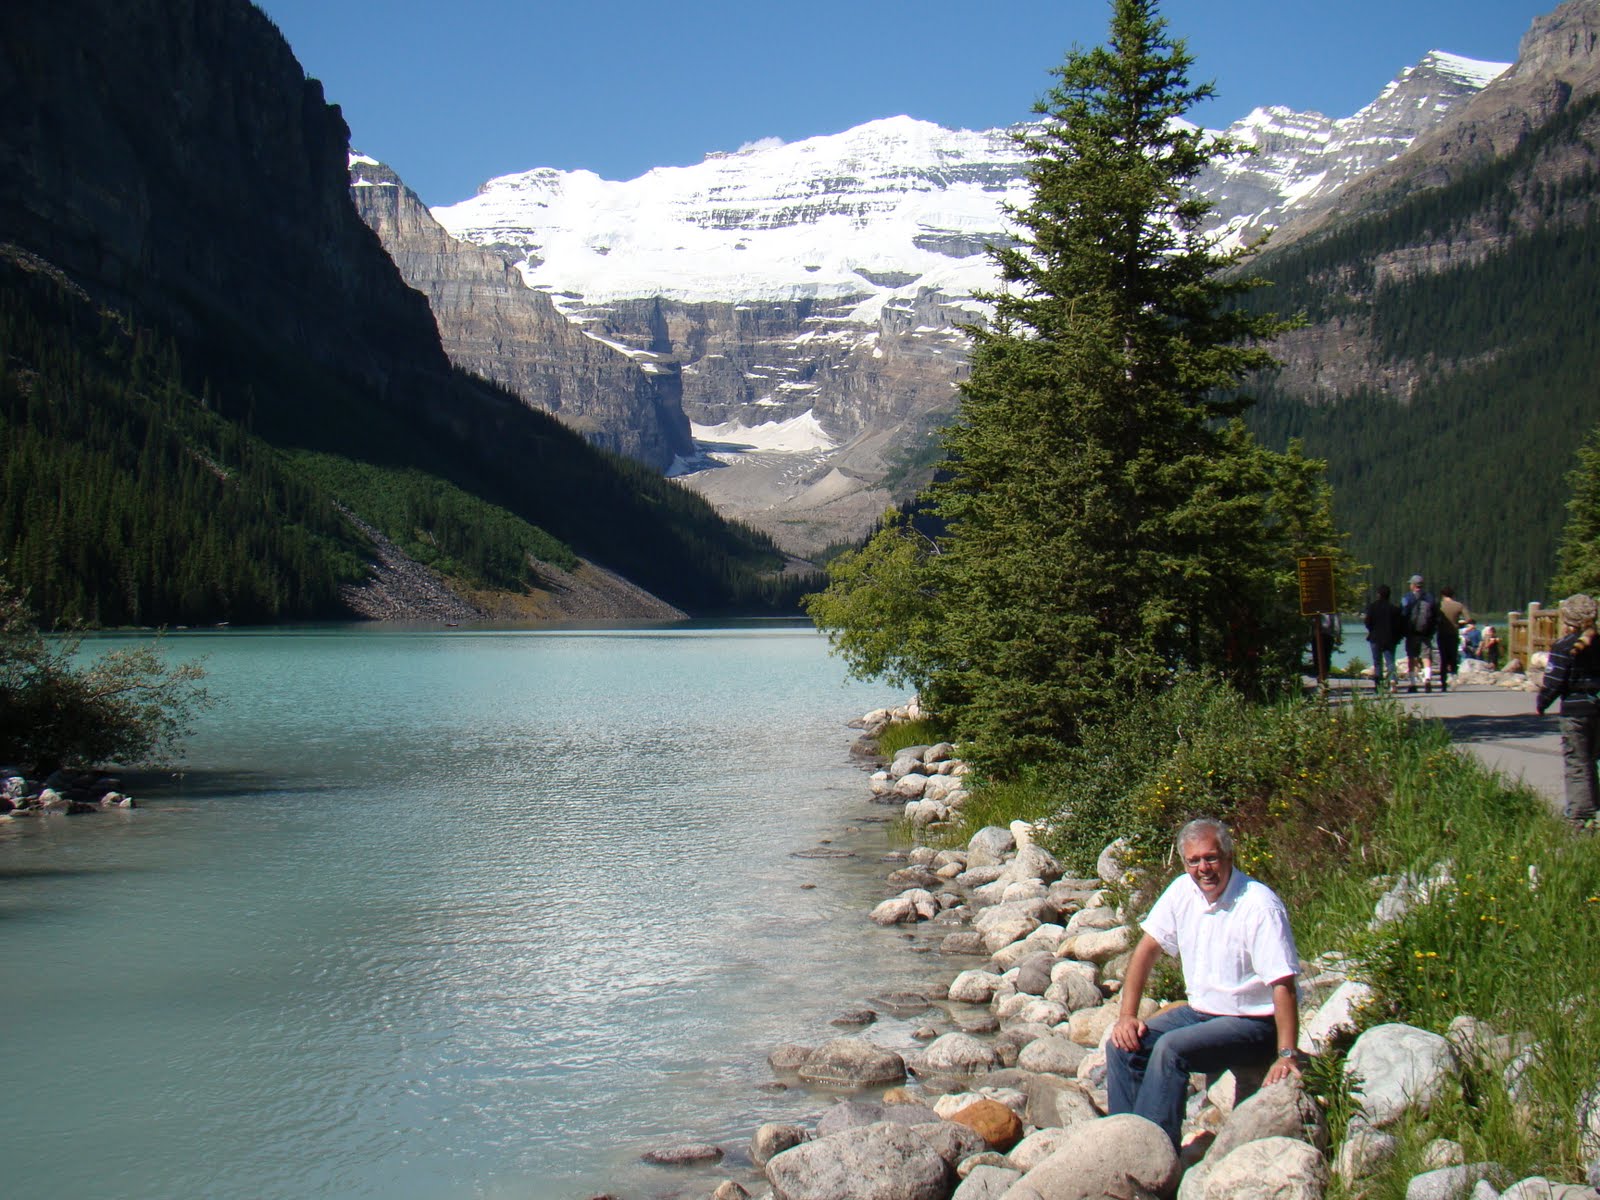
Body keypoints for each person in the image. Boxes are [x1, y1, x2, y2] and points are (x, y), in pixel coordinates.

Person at [1107, 818, 1300, 1149]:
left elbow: (1283, 983)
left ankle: (1156, 1154)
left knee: (1171, 1049)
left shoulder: (1258, 905)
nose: (1203, 869)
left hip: (1252, 1023)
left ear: (1228, 856)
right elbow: (1146, 951)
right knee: (1122, 1046)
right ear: (1184, 862)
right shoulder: (1183, 891)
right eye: (1194, 860)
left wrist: (1287, 1054)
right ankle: (1127, 1146)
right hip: (1201, 1014)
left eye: (1211, 858)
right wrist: (1127, 1015)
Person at [1535, 594, 1600, 830]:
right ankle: (1595, 806)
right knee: (1594, 759)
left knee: (1577, 761)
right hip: (1597, 705)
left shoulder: (1564, 646)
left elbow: (1554, 680)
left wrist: (1542, 703)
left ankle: (1581, 816)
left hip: (1576, 708)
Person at [1400, 574, 1438, 693]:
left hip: (1411, 633)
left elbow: (1403, 614)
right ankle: (1427, 678)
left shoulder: (1407, 597)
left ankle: (1412, 683)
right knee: (1426, 657)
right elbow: (1435, 616)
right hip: (1425, 633)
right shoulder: (1430, 598)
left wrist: (1402, 630)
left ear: (1413, 585)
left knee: (1412, 657)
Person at [1363, 585, 1404, 692]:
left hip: (1375, 638)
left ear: (1378, 594)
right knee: (1390, 661)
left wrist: (1372, 630)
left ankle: (1378, 684)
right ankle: (1393, 681)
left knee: (1377, 662)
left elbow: (1367, 622)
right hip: (1389, 638)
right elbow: (1399, 625)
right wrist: (1397, 637)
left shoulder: (1372, 607)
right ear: (1389, 595)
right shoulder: (1394, 609)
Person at [1437, 587, 1469, 690]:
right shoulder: (1459, 605)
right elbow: (1468, 619)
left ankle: (1443, 682)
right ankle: (1453, 677)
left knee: (1443, 658)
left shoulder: (1439, 605)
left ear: (1442, 595)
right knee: (1453, 656)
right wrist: (1459, 624)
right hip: (1453, 634)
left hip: (1441, 634)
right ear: (1452, 595)